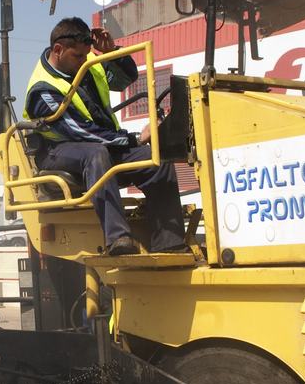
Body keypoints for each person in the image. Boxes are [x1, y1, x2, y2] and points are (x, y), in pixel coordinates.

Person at [24, 17, 186, 256]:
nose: (84, 61)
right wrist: (134, 139)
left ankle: (169, 244)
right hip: (58, 151)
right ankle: (119, 239)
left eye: (86, 55)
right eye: (78, 56)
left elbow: (124, 80)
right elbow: (79, 132)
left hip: (100, 143)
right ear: (58, 50)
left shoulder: (88, 62)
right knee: (96, 153)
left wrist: (112, 52)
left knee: (157, 160)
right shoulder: (42, 88)